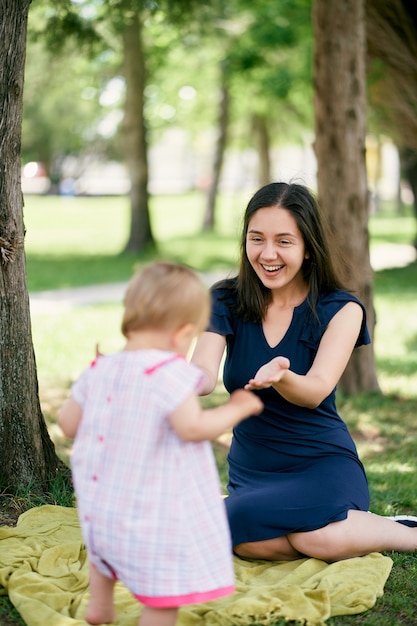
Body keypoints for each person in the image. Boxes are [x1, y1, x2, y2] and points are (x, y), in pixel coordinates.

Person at [191, 181, 417, 564]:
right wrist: (155, 369)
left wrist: (283, 376)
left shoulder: (342, 309)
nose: (267, 254)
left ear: (308, 247)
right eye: (256, 239)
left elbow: (315, 390)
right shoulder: (225, 298)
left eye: (284, 241)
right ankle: (352, 528)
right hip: (255, 469)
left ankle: (403, 533)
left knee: (239, 526)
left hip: (321, 464)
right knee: (254, 543)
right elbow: (202, 376)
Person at [58, 261, 263, 626]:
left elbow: (68, 424)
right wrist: (237, 409)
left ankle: (100, 606)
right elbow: (193, 427)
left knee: (103, 554)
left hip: (100, 510)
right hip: (148, 517)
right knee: (163, 597)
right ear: (183, 333)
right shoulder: (169, 374)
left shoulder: (100, 367)